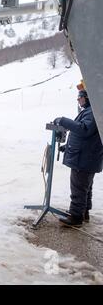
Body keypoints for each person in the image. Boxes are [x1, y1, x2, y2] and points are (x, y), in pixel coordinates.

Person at [53, 80, 103, 227]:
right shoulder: (91, 110)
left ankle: (76, 218)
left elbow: (84, 130)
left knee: (78, 188)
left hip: (84, 159)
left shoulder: (92, 111)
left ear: (87, 97)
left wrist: (63, 121)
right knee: (85, 188)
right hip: (87, 157)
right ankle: (83, 212)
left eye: (80, 97)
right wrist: (66, 147)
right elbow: (86, 138)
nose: (78, 100)